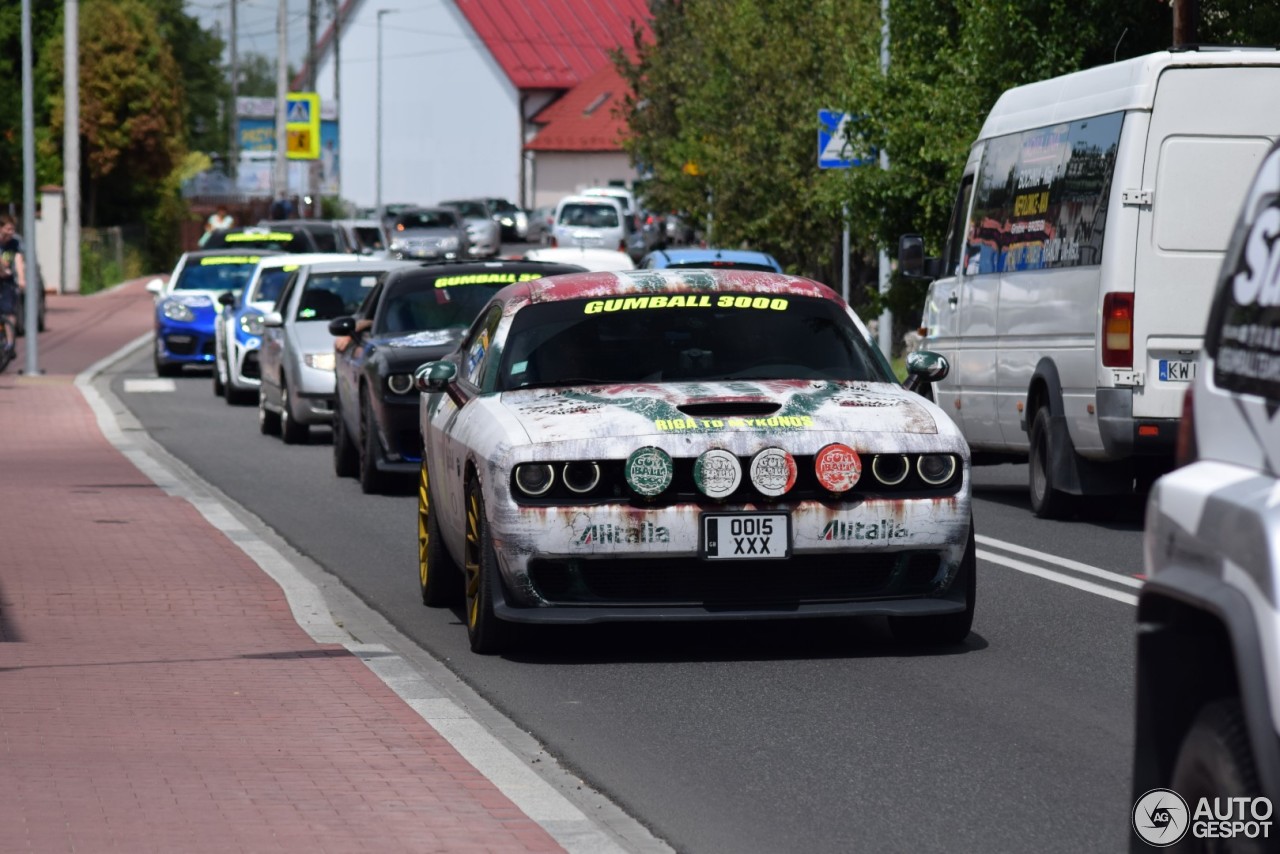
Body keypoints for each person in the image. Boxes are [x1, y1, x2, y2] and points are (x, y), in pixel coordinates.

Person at [0, 215, 24, 358]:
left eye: (13, 229)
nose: (11, 232)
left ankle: (10, 344)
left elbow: (18, 259)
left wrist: (21, 278)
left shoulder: (14, 243)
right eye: (8, 228)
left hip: (7, 281)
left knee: (9, 311)